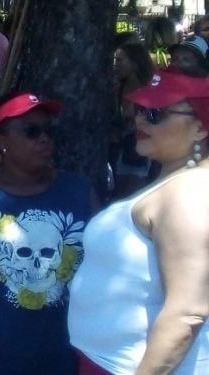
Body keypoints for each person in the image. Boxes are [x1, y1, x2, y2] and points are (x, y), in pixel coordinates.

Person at [0, 93, 94, 375]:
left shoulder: (80, 191)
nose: (45, 138)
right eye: (32, 131)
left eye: (49, 130)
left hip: (71, 355)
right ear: (1, 142)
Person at [69, 71, 209, 374]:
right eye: (140, 110)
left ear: (200, 128)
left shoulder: (189, 193)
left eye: (156, 113)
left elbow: (188, 311)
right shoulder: (175, 183)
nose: (141, 121)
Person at [113, 42, 156, 197]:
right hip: (122, 151)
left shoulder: (149, 90)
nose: (115, 65)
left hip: (141, 151)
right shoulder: (117, 88)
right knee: (120, 196)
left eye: (120, 60)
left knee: (132, 198)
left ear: (135, 63)